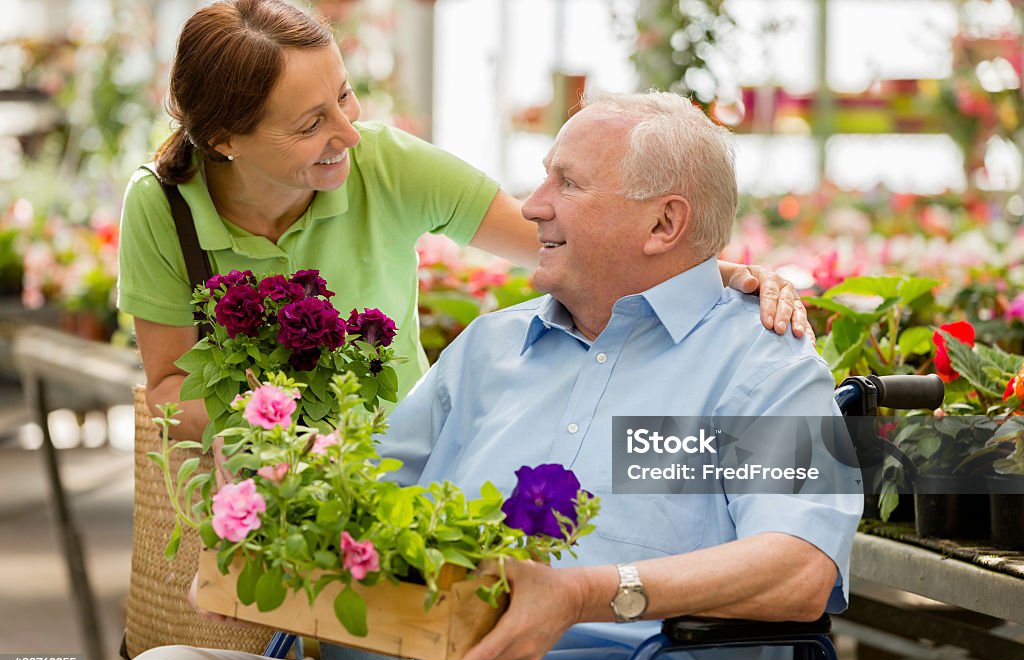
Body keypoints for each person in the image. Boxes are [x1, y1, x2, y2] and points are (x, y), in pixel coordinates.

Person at [112, 92, 861, 660]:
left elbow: (800, 566)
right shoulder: (492, 348)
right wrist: (278, 496)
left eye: (567, 183)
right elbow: (371, 501)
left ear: (665, 223)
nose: (533, 204)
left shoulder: (763, 363)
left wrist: (585, 592)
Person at [118, 0, 812, 444]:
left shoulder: (387, 166)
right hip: (262, 486)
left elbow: (558, 235)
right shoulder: (163, 206)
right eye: (310, 124)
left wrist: (713, 270)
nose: (348, 134)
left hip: (401, 469)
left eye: (345, 97)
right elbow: (169, 392)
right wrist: (282, 422)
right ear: (225, 140)